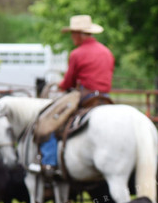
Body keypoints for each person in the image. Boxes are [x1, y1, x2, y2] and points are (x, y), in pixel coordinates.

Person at [33, 15, 115, 178]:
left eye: (73, 34)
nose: (71, 37)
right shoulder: (107, 52)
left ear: (79, 34)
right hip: (105, 97)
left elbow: (69, 81)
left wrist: (60, 84)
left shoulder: (77, 53)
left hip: (85, 96)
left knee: (50, 120)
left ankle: (49, 162)